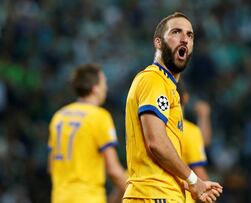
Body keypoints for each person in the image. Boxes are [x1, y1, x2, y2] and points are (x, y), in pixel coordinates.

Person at [124, 12, 222, 203]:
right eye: (176, 32)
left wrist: (193, 185)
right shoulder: (153, 79)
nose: (185, 39)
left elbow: (157, 161)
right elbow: (156, 142)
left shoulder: (168, 88)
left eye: (190, 35)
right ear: (158, 43)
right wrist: (193, 180)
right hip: (154, 195)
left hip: (162, 193)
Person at [48, 64, 127, 203]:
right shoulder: (99, 116)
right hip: (88, 197)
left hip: (59, 197)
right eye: (104, 83)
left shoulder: (58, 117)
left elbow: (50, 166)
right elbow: (113, 170)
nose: (106, 88)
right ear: (95, 88)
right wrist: (136, 192)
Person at [177, 82, 210, 203]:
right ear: (185, 97)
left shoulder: (152, 127)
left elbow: (203, 143)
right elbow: (199, 172)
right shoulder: (189, 131)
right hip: (179, 197)